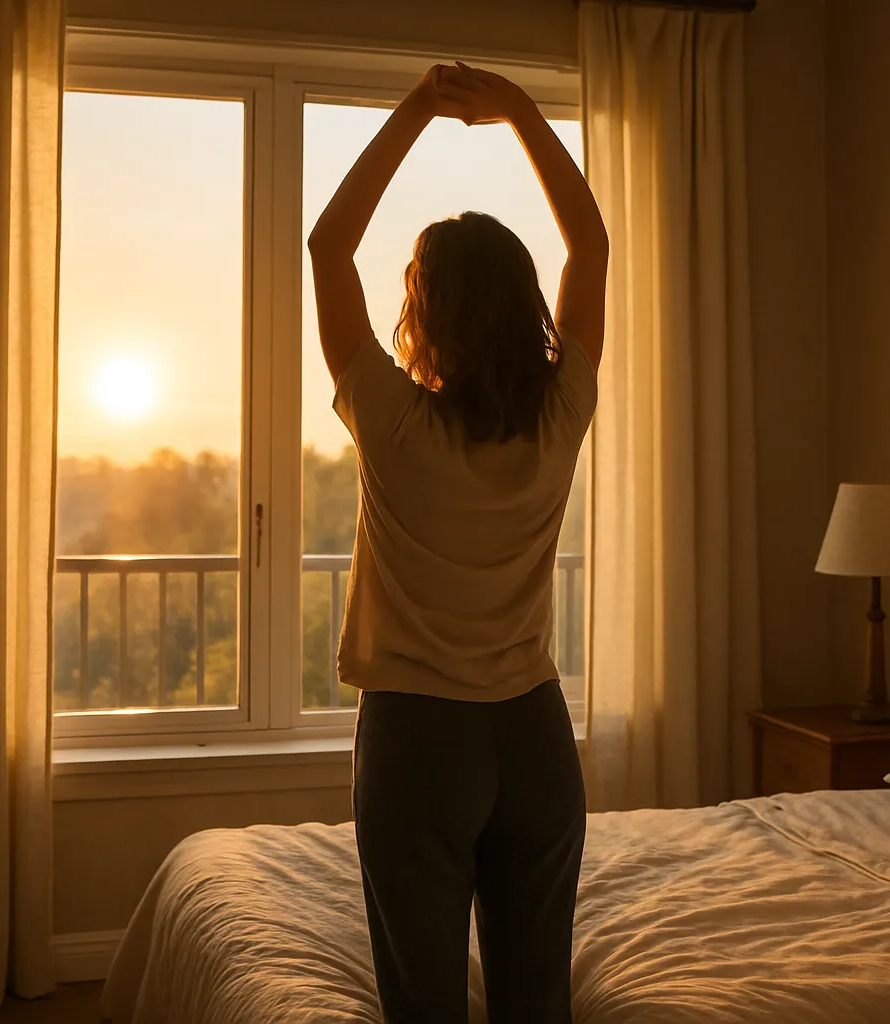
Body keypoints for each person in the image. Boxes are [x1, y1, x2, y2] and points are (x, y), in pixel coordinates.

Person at [307, 62, 608, 1023]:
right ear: (529, 312)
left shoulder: (397, 427)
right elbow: (591, 240)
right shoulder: (561, 414)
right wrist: (517, 109)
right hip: (534, 735)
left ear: (425, 317)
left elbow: (328, 245)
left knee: (423, 1002)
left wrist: (416, 109)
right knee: (535, 1004)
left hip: (418, 741)